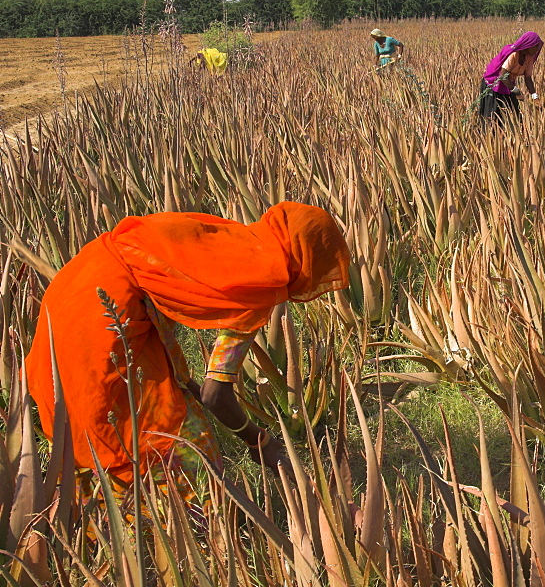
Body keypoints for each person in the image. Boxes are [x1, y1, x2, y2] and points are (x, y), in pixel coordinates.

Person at [26, 202, 350, 494]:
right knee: (170, 435)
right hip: (105, 314)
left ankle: (91, 514)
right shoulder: (258, 284)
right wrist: (256, 439)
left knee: (83, 405)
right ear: (303, 266)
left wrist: (189, 388)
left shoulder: (227, 237)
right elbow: (215, 394)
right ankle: (182, 526)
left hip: (75, 283)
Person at [478, 31, 543, 126]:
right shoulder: (513, 54)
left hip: (508, 84)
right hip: (494, 84)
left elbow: (528, 78)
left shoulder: (529, 58)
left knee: (514, 111)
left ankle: (512, 134)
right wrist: (516, 91)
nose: (537, 49)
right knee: (492, 115)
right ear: (529, 45)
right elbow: (502, 76)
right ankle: (489, 137)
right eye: (535, 46)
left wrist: (534, 96)